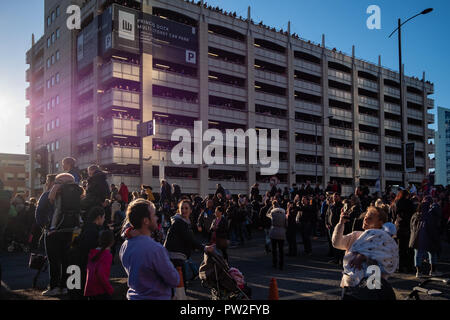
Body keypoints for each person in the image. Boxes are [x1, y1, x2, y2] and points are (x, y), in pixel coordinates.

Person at [333, 206, 398, 300]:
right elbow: (336, 243)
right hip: (350, 286)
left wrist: (363, 256)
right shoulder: (356, 235)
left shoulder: (384, 240)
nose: (365, 219)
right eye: (365, 216)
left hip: (371, 289)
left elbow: (386, 261)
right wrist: (341, 223)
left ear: (380, 222)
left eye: (370, 218)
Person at [120, 199, 180, 300]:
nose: (157, 218)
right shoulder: (156, 249)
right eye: (154, 215)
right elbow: (174, 280)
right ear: (146, 221)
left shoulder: (125, 246)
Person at [164, 200, 214, 284]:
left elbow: (189, 239)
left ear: (191, 210)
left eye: (186, 208)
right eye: (182, 208)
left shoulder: (184, 222)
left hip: (177, 257)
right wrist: (204, 248)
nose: (184, 210)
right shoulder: (179, 222)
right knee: (180, 287)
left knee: (178, 286)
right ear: (179, 210)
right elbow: (190, 240)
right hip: (175, 258)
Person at [409, 196, 442, 277]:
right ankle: (432, 271)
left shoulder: (415, 214)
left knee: (417, 254)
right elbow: (433, 227)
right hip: (429, 237)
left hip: (416, 237)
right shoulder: (430, 215)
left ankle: (418, 272)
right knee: (432, 253)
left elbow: (411, 226)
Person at [390, 190, 416, 273]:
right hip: (408, 226)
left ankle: (400, 267)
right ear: (407, 195)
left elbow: (392, 216)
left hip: (398, 227)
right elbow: (413, 214)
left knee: (400, 248)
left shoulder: (395, 203)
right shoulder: (409, 203)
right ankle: (409, 266)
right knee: (409, 248)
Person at [85, 230, 115, 300]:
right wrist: (110, 289)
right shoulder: (107, 255)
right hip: (100, 290)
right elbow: (101, 274)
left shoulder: (92, 253)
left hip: (90, 289)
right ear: (112, 242)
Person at [267, 201, 287, 270]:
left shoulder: (272, 213)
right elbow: (286, 224)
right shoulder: (284, 214)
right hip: (281, 232)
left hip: (274, 232)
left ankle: (274, 263)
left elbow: (267, 214)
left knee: (274, 249)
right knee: (281, 249)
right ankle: (281, 264)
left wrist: (270, 208)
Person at [325, 193, 344, 264]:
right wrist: (327, 223)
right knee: (333, 243)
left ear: (339, 197)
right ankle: (335, 258)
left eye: (336, 196)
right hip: (331, 227)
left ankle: (340, 259)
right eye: (334, 197)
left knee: (339, 242)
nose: (335, 198)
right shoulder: (331, 206)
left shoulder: (341, 206)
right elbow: (327, 215)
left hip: (338, 227)